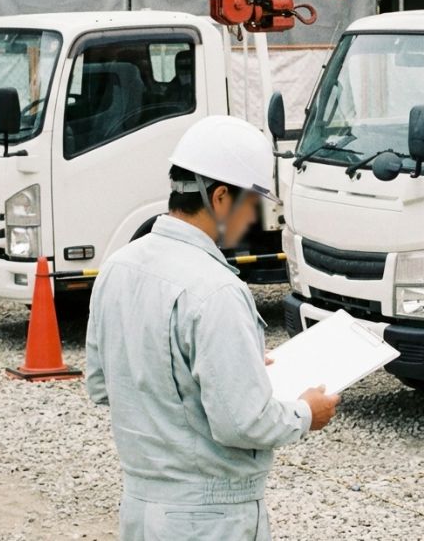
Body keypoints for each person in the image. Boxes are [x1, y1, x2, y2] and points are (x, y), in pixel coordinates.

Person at [84, 115, 341, 541]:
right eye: (253, 204)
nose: (254, 221)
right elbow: (243, 424)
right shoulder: (216, 288)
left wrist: (223, 370)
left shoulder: (118, 266)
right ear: (221, 197)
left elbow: (101, 382)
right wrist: (305, 413)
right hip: (210, 517)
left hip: (141, 509)